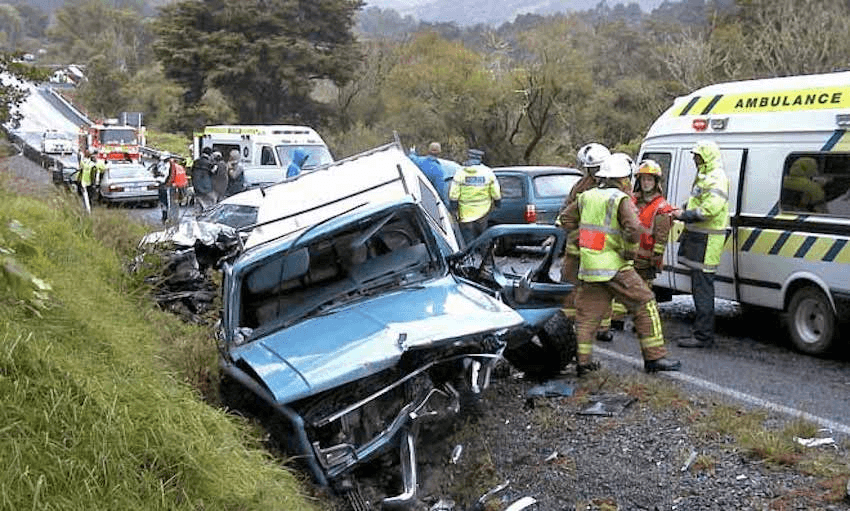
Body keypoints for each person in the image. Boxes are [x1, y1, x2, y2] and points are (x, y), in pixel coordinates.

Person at [560, 154, 681, 376]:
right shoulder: (619, 199)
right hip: (615, 266)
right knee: (645, 303)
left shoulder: (586, 196)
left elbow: (564, 220)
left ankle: (583, 363)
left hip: (590, 268)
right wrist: (627, 250)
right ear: (623, 178)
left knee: (587, 317)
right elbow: (634, 229)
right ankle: (655, 358)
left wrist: (586, 240)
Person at [672, 140, 730, 349]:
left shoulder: (716, 177)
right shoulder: (707, 175)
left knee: (703, 289)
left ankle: (703, 336)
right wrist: (684, 208)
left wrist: (683, 215)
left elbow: (710, 209)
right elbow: (701, 201)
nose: (694, 159)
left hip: (707, 243)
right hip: (701, 241)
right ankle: (702, 333)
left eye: (697, 155)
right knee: (699, 288)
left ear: (706, 156)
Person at [557, 143, 617, 343]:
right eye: (588, 169)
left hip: (596, 244)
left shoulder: (611, 186)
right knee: (570, 282)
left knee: (597, 285)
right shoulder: (582, 184)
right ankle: (568, 322)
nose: (590, 172)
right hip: (579, 241)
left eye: (592, 168)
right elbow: (568, 208)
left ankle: (602, 327)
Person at [632, 159, 675, 283]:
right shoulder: (632, 201)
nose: (646, 183)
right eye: (643, 179)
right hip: (629, 257)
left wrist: (655, 259)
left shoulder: (661, 207)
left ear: (656, 182)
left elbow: (661, 239)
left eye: (649, 179)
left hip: (645, 262)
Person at [448, 148, 501, 244]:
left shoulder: (460, 172)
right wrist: (498, 204)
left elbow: (453, 194)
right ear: (480, 159)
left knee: (468, 241)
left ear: (468, 157)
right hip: (483, 212)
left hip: (465, 213)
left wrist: (454, 208)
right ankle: (486, 258)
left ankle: (469, 258)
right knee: (484, 239)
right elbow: (496, 193)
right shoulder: (488, 172)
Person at [192, 147, 215, 211]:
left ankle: (198, 218)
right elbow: (213, 174)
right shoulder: (209, 163)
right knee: (209, 206)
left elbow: (192, 173)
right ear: (210, 154)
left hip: (196, 186)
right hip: (206, 187)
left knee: (198, 205)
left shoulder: (196, 162)